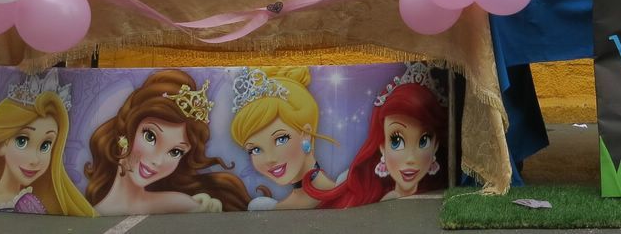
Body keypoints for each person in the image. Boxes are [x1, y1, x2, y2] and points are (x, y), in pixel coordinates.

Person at [84, 70, 251, 214]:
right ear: (128, 129)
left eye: (175, 152)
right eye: (150, 137)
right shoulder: (84, 206)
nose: (157, 161)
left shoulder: (182, 204)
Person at [305, 62, 448, 208]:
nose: (411, 159)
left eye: (424, 140)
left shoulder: (439, 195)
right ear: (382, 147)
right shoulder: (367, 193)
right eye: (396, 141)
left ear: (436, 145)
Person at [0, 71, 95, 216]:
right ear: (2, 144)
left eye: (45, 146)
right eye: (22, 141)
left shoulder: (26, 203)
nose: (34, 160)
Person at [230, 67, 339, 210]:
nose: (269, 159)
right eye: (255, 149)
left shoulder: (348, 194)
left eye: (281, 139)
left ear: (306, 134)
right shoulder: (278, 208)